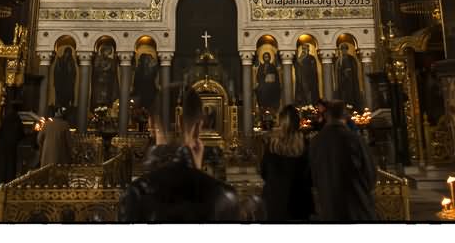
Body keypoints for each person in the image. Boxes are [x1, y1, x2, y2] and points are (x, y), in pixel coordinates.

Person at [119, 88, 239, 222]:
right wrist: (195, 172)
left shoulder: (135, 194)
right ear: (199, 128)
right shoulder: (223, 196)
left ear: (150, 123)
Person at [309, 100, 377, 222]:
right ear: (345, 117)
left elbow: (312, 175)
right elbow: (370, 174)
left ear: (327, 116)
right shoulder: (355, 140)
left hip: (329, 205)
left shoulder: (315, 142)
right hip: (357, 205)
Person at [260, 105, 313, 222]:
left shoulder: (272, 144)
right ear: (298, 121)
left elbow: (264, 172)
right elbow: (310, 174)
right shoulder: (304, 143)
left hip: (275, 199)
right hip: (299, 201)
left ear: (280, 121)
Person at [0, 103, 25, 194]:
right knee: (10, 166)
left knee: (1, 166)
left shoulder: (6, 118)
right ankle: (9, 186)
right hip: (12, 147)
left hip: (3, 146)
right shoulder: (17, 119)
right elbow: (20, 134)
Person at [334, 42, 363, 111]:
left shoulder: (351, 58)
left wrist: (348, 72)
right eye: (342, 49)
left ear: (347, 50)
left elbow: (354, 69)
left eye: (345, 49)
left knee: (350, 96)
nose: (343, 51)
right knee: (343, 97)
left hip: (350, 82)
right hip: (342, 83)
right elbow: (337, 71)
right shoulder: (339, 60)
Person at [54, 45, 77, 111]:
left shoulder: (71, 61)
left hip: (68, 82)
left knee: (68, 94)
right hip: (61, 81)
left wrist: (70, 70)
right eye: (66, 52)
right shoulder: (60, 59)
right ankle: (59, 107)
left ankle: (68, 106)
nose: (67, 54)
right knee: (60, 95)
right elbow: (56, 71)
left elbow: (73, 72)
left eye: (68, 53)